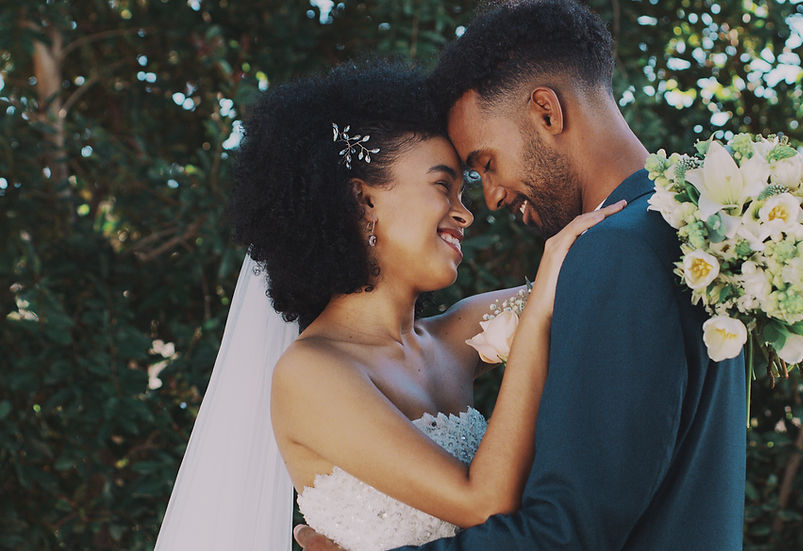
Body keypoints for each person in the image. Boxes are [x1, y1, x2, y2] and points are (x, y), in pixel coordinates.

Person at [294, 1, 747, 550]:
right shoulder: (694, 236)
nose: (486, 201)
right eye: (452, 183)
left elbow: (564, 534)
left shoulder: (614, 254)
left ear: (547, 112)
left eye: (483, 166)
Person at [154, 59, 625, 551]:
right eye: (443, 186)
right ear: (362, 203)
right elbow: (482, 503)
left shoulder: (458, 332)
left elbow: (589, 277)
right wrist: (534, 327)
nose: (465, 213)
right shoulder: (311, 374)